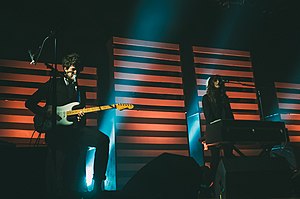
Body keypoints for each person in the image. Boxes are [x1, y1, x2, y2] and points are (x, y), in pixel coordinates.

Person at [25, 53, 109, 199]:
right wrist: (47, 113)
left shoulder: (81, 91)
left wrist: (80, 117)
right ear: (64, 69)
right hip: (57, 131)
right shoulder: (52, 84)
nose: (75, 73)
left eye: (78, 70)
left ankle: (97, 185)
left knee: (103, 140)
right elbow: (30, 103)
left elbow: (81, 120)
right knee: (62, 170)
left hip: (74, 131)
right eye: (72, 70)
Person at [202, 75, 234, 183]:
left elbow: (230, 115)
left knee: (229, 156)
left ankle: (230, 182)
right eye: (216, 81)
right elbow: (209, 116)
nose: (218, 82)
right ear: (211, 83)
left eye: (220, 81)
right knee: (215, 158)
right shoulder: (206, 98)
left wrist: (233, 126)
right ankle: (213, 184)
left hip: (226, 130)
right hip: (214, 132)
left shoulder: (224, 98)